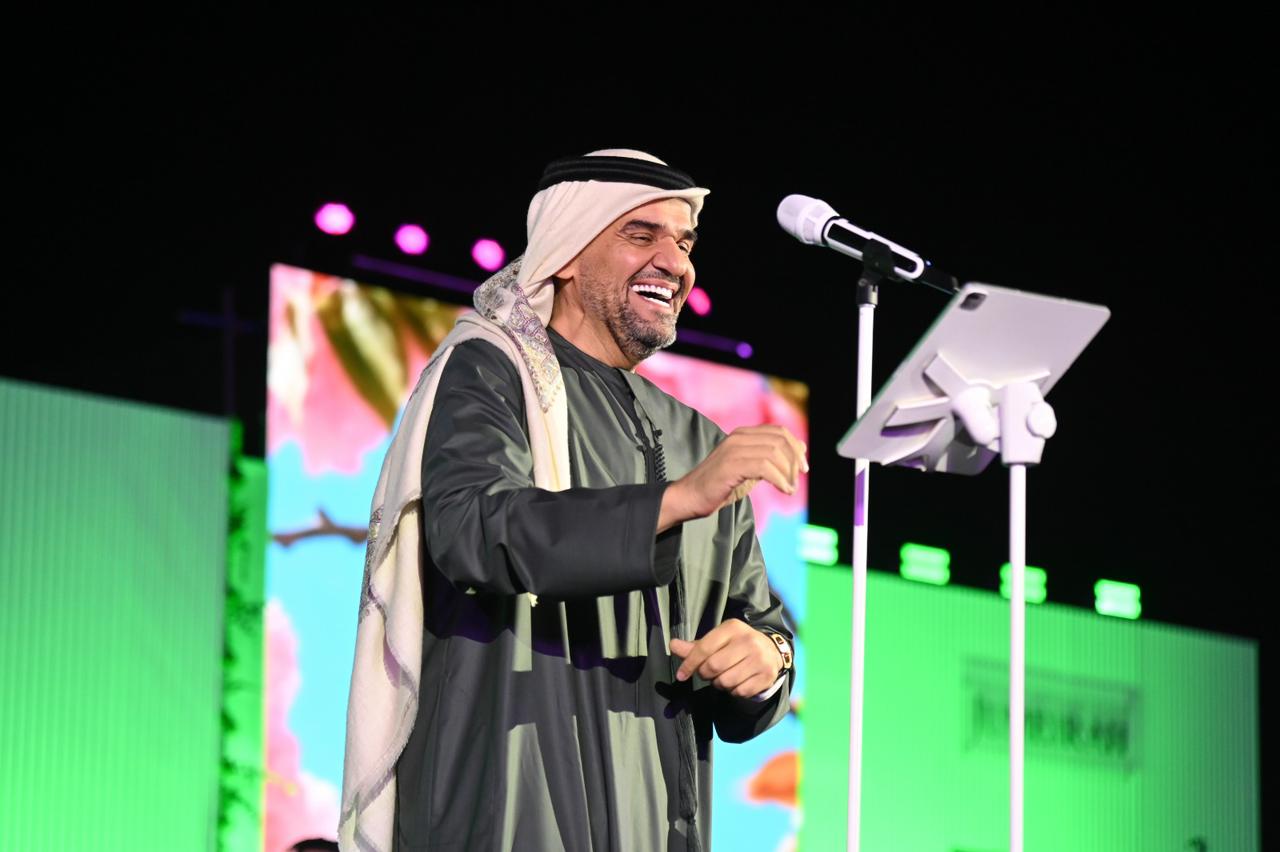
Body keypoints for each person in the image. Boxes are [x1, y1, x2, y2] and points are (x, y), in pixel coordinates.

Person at [340, 149, 806, 852]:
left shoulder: (700, 442)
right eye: (641, 235)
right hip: (508, 807)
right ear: (566, 252)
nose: (675, 263)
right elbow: (475, 529)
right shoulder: (488, 370)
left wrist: (765, 662)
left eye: (684, 244)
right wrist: (676, 501)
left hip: (661, 819)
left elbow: (758, 625)